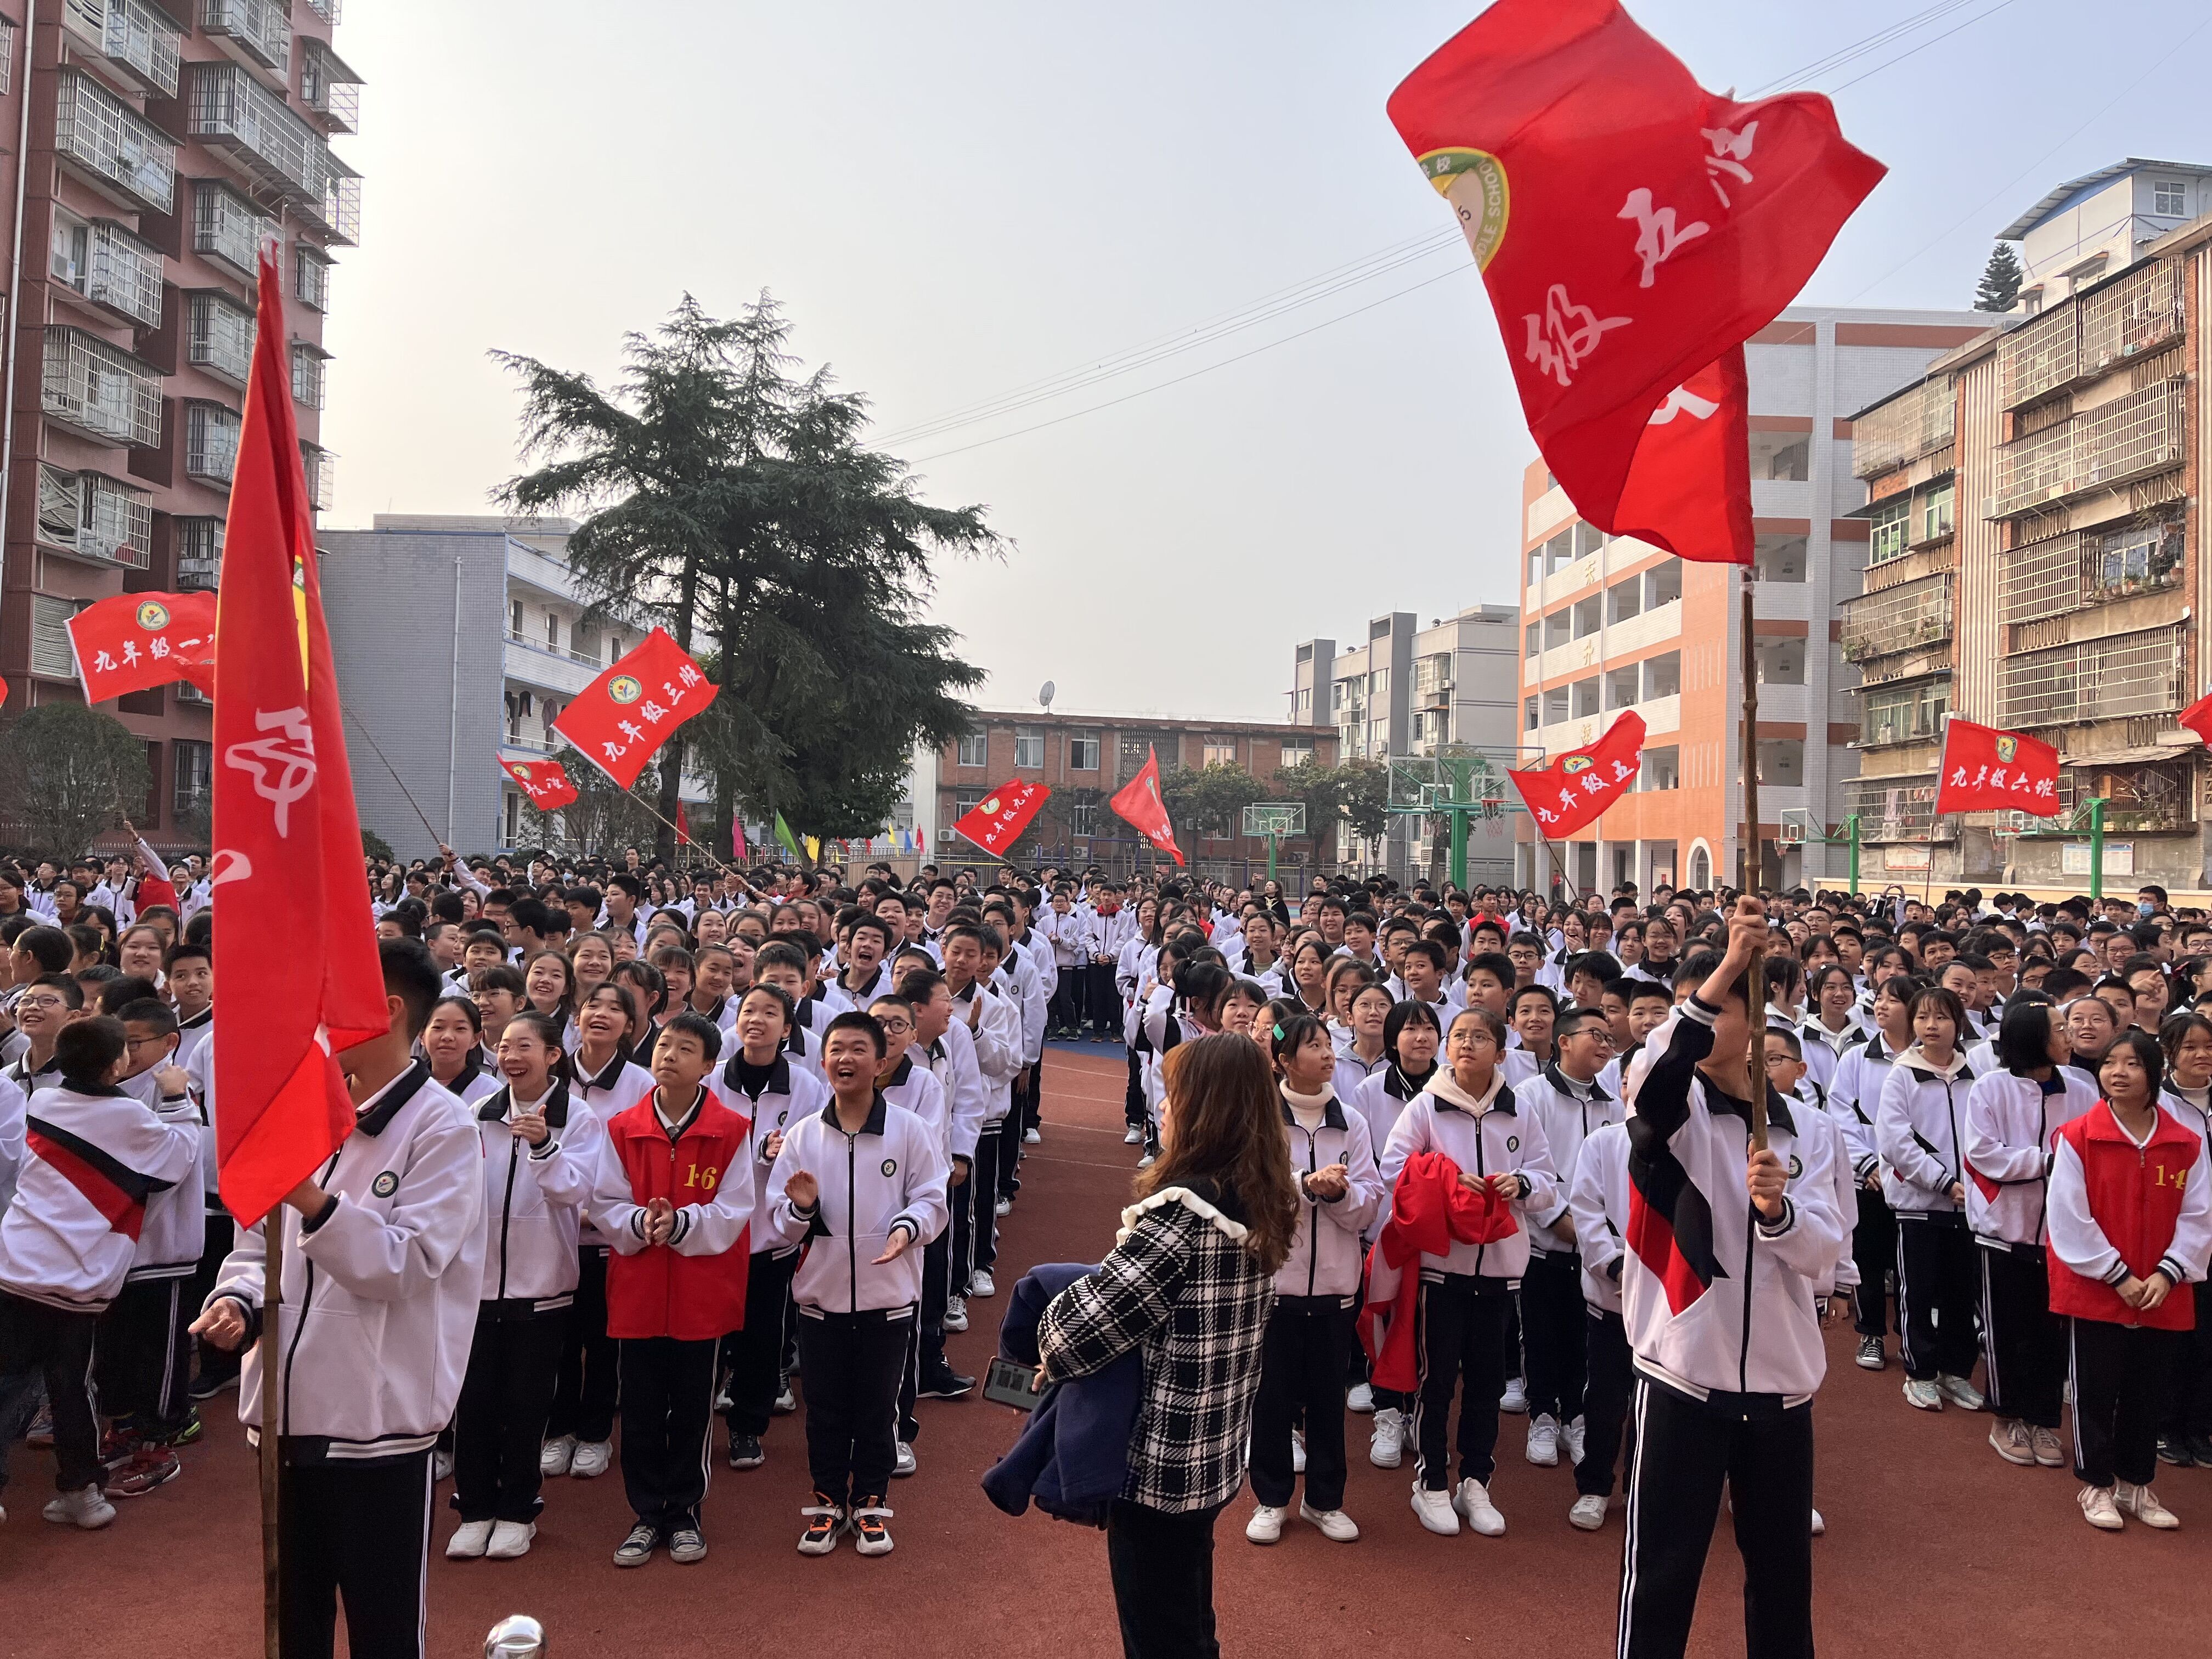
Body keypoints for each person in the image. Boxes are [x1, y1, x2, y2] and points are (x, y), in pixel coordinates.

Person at [191, 940, 487, 1659]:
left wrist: (313, 1202)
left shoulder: (442, 1127)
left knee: (384, 1627)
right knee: (292, 1618)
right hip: (282, 1415)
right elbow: (255, 1247)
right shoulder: (296, 1113)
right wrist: (238, 1300)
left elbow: (409, 1264)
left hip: (376, 1418)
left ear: (385, 1011)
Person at [1615, 900, 1845, 1659]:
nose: (1714, 1023)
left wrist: (1780, 1216)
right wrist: (1723, 968)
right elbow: (1648, 1073)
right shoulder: (1671, 1112)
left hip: (1783, 1389)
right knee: (1662, 1575)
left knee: (1783, 1580)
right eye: (1702, 1010)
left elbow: (1828, 1253)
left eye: (1729, 1009)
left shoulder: (1808, 1130)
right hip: (1683, 1377)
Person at [1038, 1035, 1294, 1659]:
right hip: (1212, 1450)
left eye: (1175, 1096)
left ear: (1203, 1108)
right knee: (1189, 1616)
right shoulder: (1261, 1194)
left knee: (1158, 1632)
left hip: (1158, 1466)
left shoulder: (1182, 1216)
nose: (1164, 1107)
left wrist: (1057, 1302)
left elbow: (1072, 1337)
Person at [0, 1016, 199, 1528]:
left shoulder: (40, 1103)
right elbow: (177, 1159)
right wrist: (178, 1097)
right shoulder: (130, 1117)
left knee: (5, 1381)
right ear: (119, 1065)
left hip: (13, 1265)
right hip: (74, 1281)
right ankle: (82, 1492)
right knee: (71, 1387)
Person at [765, 1011, 949, 1556]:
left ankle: (870, 1502)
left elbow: (933, 1198)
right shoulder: (803, 1136)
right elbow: (780, 1217)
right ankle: (825, 1503)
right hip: (819, 1300)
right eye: (836, 1050)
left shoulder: (908, 1130)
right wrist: (801, 1210)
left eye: (858, 1050)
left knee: (876, 1408)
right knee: (823, 1407)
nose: (846, 1059)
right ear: (823, 1063)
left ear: (881, 1061)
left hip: (887, 1298)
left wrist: (905, 1229)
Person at [1378, 1005, 1558, 1538]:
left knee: (1485, 1382)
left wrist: (1521, 1185)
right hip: (1442, 1269)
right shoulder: (1426, 1108)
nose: (1467, 1044)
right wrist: (1448, 1182)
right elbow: (1395, 1172)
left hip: (1501, 1270)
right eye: (1459, 1036)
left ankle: (1476, 1480)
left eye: (1480, 1037)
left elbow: (1548, 1178)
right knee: (1437, 1381)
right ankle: (1430, 1482)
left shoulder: (1520, 1111)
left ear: (1501, 1053)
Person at [589, 1011, 753, 1568]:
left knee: (691, 1406)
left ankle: (683, 1511)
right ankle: (644, 1512)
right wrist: (639, 1224)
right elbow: (605, 1201)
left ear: (708, 1066)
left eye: (686, 1049)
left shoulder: (731, 1130)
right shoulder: (622, 1128)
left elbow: (736, 1209)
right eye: (663, 1045)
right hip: (638, 1286)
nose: (669, 1056)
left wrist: (681, 1225)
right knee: (637, 1407)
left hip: (699, 1292)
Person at [448, 1012, 604, 1561]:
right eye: (506, 1045)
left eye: (526, 1046)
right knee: (476, 1401)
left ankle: (517, 1510)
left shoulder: (578, 1118)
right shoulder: (477, 1115)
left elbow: (576, 1195)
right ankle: (475, 1509)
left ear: (553, 1056)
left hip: (544, 1287)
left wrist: (543, 1147)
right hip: (478, 1287)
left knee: (527, 1403)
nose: (512, 1055)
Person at [2047, 1030, 2210, 1530]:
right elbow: (2069, 1216)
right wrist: (2116, 1274)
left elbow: (2199, 1214)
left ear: (2153, 1072)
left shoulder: (2186, 1142)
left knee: (2148, 1391)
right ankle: (2096, 1486)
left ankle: (2137, 1483)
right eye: (2111, 1063)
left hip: (2163, 1290)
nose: (2118, 1072)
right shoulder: (2078, 1136)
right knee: (2096, 1390)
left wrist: (2169, 1272)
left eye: (2132, 1064)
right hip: (2098, 1288)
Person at [1244, 1012, 1381, 1545]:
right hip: (1276, 1284)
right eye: (1313, 1046)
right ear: (1282, 1060)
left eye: (1328, 1044)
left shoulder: (1352, 1123)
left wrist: (1340, 1195)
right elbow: (1251, 1191)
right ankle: (1271, 1498)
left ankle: (1326, 1500)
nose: (1327, 1054)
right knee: (1272, 1397)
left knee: (1328, 1399)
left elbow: (1371, 1200)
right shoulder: (1261, 1120)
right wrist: (1306, 1185)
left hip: (1334, 1285)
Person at [1962, 1000, 2094, 1470]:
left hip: (2060, 1235)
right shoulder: (1990, 1089)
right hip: (2004, 1230)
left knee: (2050, 1333)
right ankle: (2006, 1418)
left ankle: (2041, 1421)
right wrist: (2046, 1163)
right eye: (2061, 1028)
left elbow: (2090, 1148)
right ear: (2032, 1036)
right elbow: (1982, 1154)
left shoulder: (2081, 1089)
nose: (2070, 1035)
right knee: (2006, 1331)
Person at [706, 982, 827, 1472]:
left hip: (773, 1236)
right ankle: (699, 1416)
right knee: (711, 1334)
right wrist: (755, 1151)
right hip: (714, 1233)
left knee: (762, 1337)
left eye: (770, 1013)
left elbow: (813, 1151)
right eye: (749, 1011)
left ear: (787, 1029)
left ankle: (747, 1427)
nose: (756, 1020)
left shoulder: (806, 1087)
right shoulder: (712, 1082)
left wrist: (780, 1158)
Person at [1877, 985, 1987, 1412]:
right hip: (1919, 1205)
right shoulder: (1902, 1075)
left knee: (1962, 1293)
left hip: (1968, 1207)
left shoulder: (1974, 1075)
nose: (1931, 1026)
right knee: (1918, 1291)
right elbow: (1896, 1142)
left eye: (1941, 1017)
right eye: (1923, 1018)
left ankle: (1955, 1372)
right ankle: (1920, 1373)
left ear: (1958, 1022)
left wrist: (1971, 1187)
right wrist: (1944, 1183)